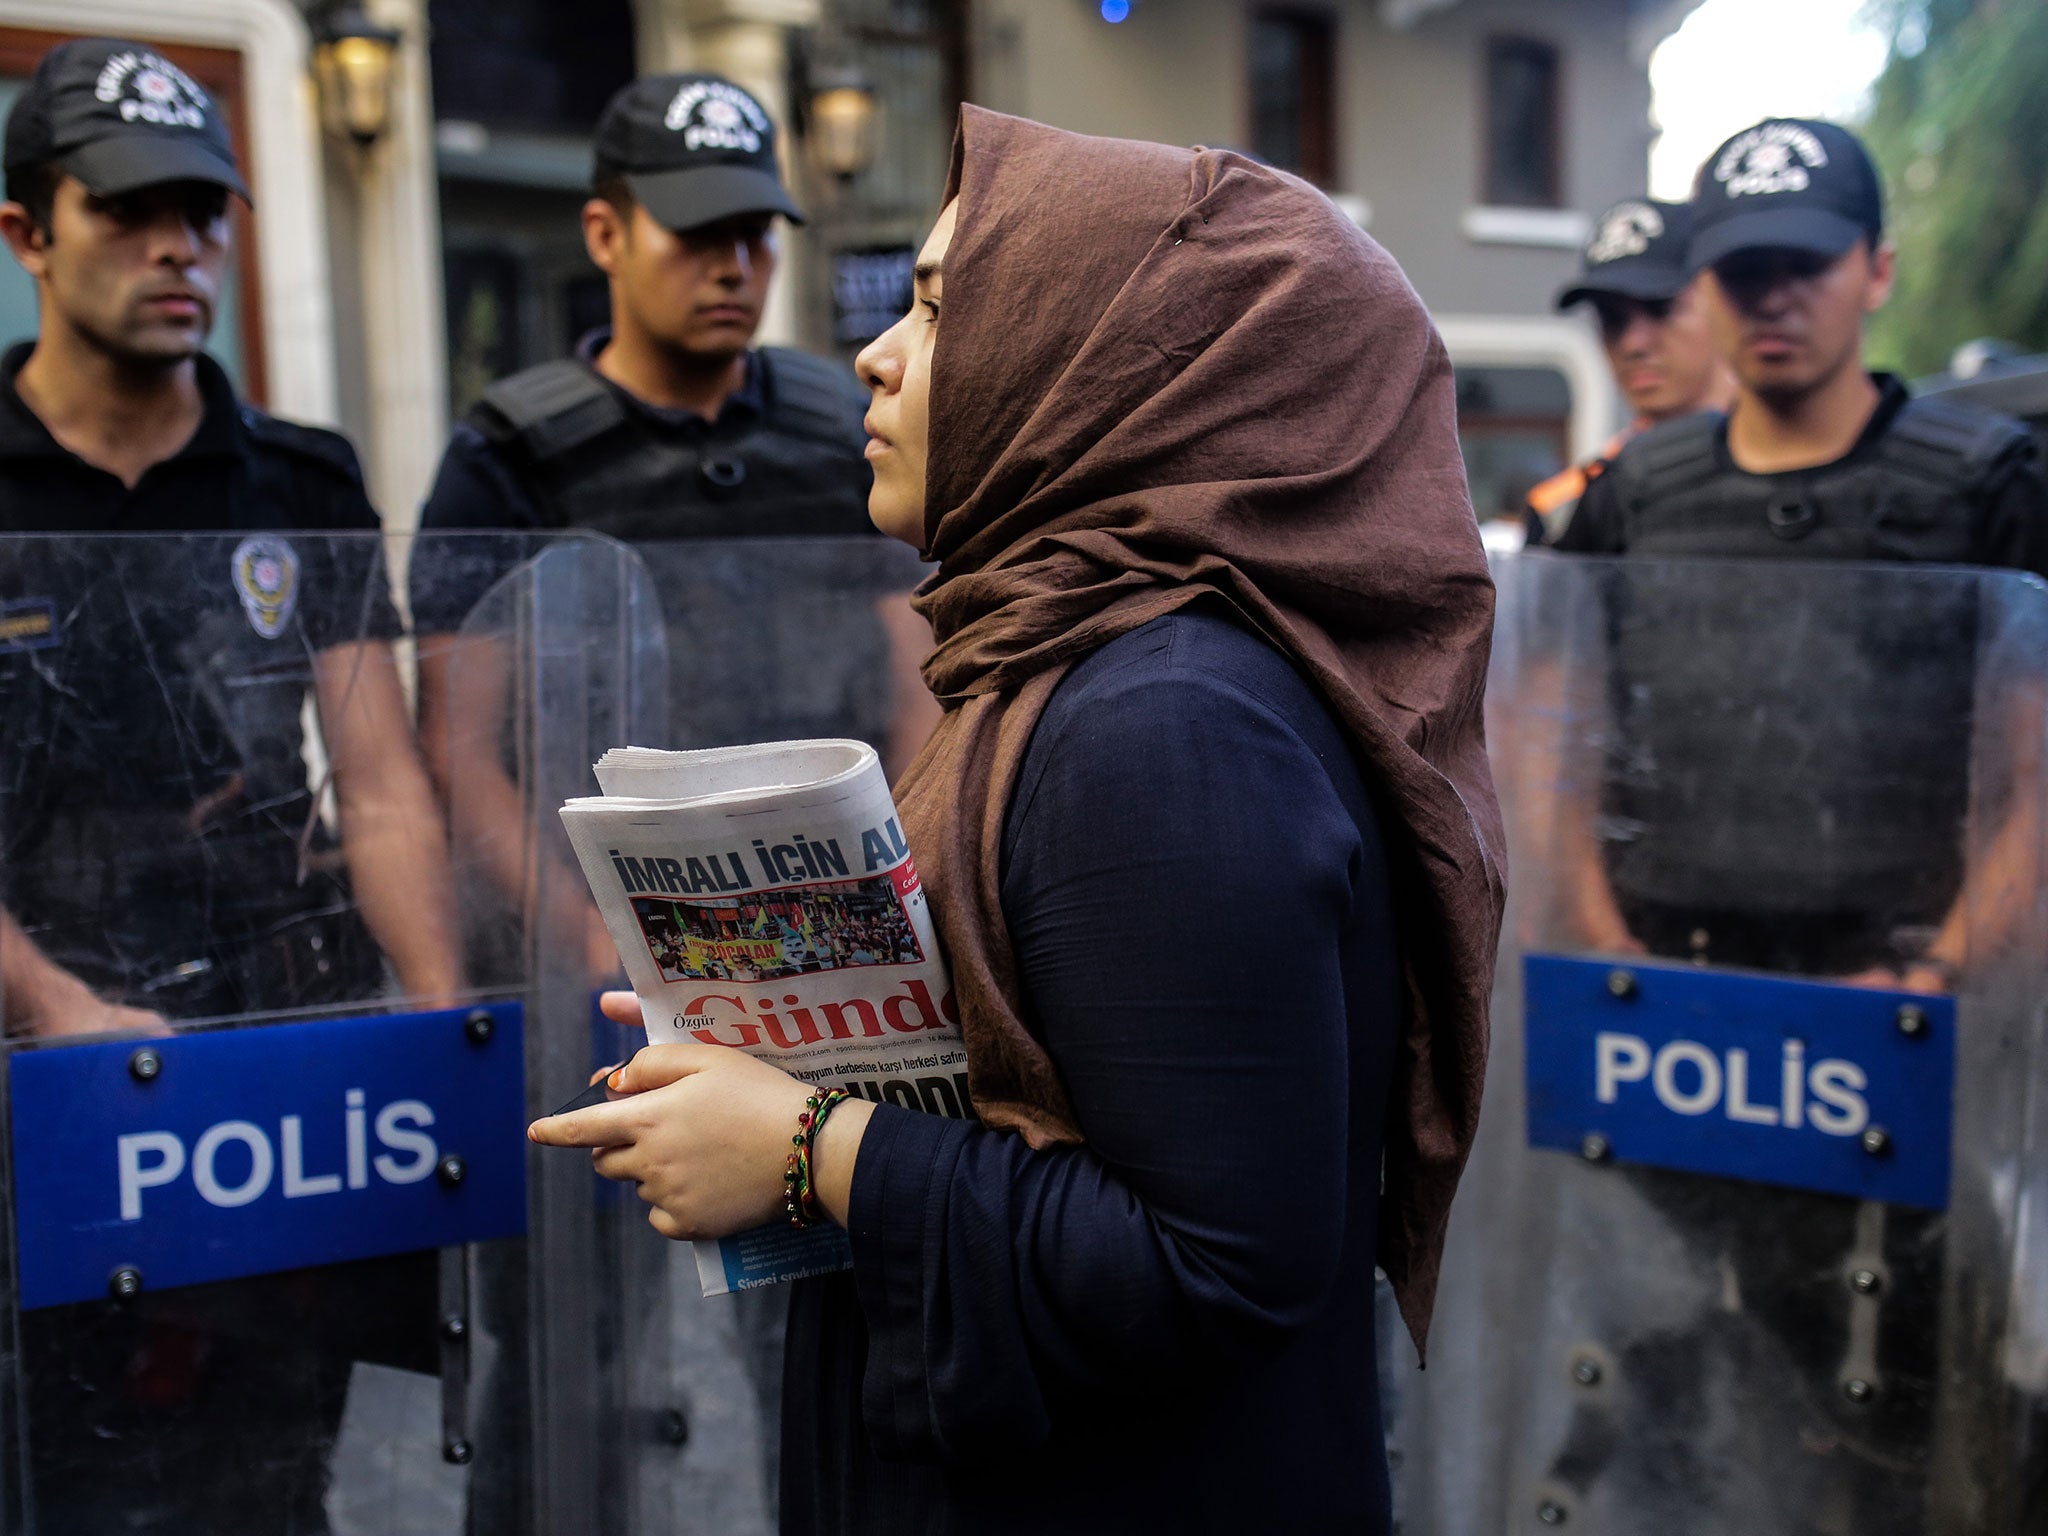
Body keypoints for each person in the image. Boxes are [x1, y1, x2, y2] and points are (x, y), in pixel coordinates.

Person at [532, 107, 1506, 1533]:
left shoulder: (1163, 728)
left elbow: (1218, 1266)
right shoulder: (1086, 661)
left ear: (1099, 368)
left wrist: (810, 1146)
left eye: (938, 309)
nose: (874, 352)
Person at [1531, 117, 2048, 1524]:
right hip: (1673, 1026)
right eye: (1743, 268)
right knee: (1664, 1395)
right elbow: (1552, 760)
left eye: (1806, 264)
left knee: (1890, 1419)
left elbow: (2034, 785)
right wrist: (1602, 949)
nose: (1773, 296)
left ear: (1876, 270)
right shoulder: (1632, 501)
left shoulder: (1985, 487)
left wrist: (1934, 982)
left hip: (1898, 1038)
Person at [0, 36, 458, 1531]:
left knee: (269, 1478)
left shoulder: (301, 483)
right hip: (33, 1056)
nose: (176, 245)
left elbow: (379, 780)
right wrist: (57, 1014)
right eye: (128, 210)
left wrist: (434, 1004)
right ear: (25, 232)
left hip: (260, 1062)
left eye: (201, 211)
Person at [1524, 197, 1734, 544]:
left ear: (1721, 299)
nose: (1634, 344)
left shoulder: (1806, 464)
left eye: (1660, 309)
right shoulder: (1562, 510)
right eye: (1612, 319)